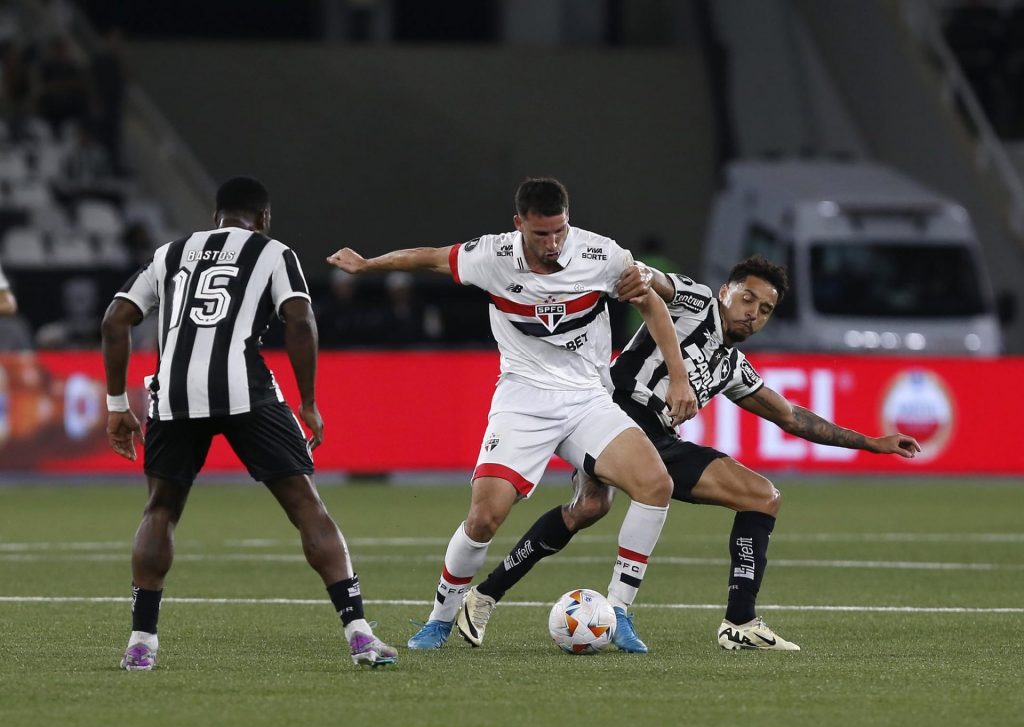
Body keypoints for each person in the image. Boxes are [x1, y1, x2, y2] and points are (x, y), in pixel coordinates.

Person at [461, 256, 923, 651]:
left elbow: (792, 418)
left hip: (658, 439)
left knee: (761, 496)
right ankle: (490, 598)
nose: (753, 314)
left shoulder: (732, 366)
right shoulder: (696, 301)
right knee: (591, 507)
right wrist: (633, 271)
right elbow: (653, 282)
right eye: (747, 299)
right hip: (611, 415)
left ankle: (739, 623)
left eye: (765, 310)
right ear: (726, 291)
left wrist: (868, 441)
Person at [327, 177, 695, 653]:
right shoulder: (492, 256)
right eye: (542, 233)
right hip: (523, 401)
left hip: (586, 397)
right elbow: (431, 255)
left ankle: (620, 612)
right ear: (519, 224)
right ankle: (439, 619)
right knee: (484, 517)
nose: (554, 242)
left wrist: (680, 378)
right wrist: (368, 264)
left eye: (560, 230)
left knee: (655, 484)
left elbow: (653, 305)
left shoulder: (602, 255)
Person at [101, 176, 397, 670]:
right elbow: (300, 320)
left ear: (215, 217)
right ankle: (360, 635)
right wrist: (307, 402)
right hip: (245, 389)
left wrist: (116, 404)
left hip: (173, 391)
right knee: (306, 507)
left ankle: (141, 644)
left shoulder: (171, 252)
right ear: (263, 218)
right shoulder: (273, 252)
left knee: (161, 509)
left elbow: (115, 319)